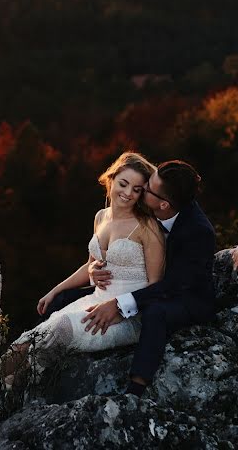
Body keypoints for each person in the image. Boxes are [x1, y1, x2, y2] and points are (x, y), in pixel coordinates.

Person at [0, 151, 165, 417]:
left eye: (137, 189)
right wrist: (56, 290)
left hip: (127, 316)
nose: (128, 193)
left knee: (57, 333)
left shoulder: (147, 227)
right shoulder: (101, 217)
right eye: (123, 183)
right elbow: (92, 264)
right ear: (111, 178)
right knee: (29, 340)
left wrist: (120, 309)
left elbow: (157, 287)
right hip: (94, 300)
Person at [80, 159, 216, 397]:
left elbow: (173, 286)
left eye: (147, 188)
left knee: (156, 314)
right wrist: (93, 270)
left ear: (163, 204)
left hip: (185, 297)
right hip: (148, 285)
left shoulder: (197, 232)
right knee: (66, 298)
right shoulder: (152, 205)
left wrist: (119, 304)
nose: (141, 189)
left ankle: (136, 388)